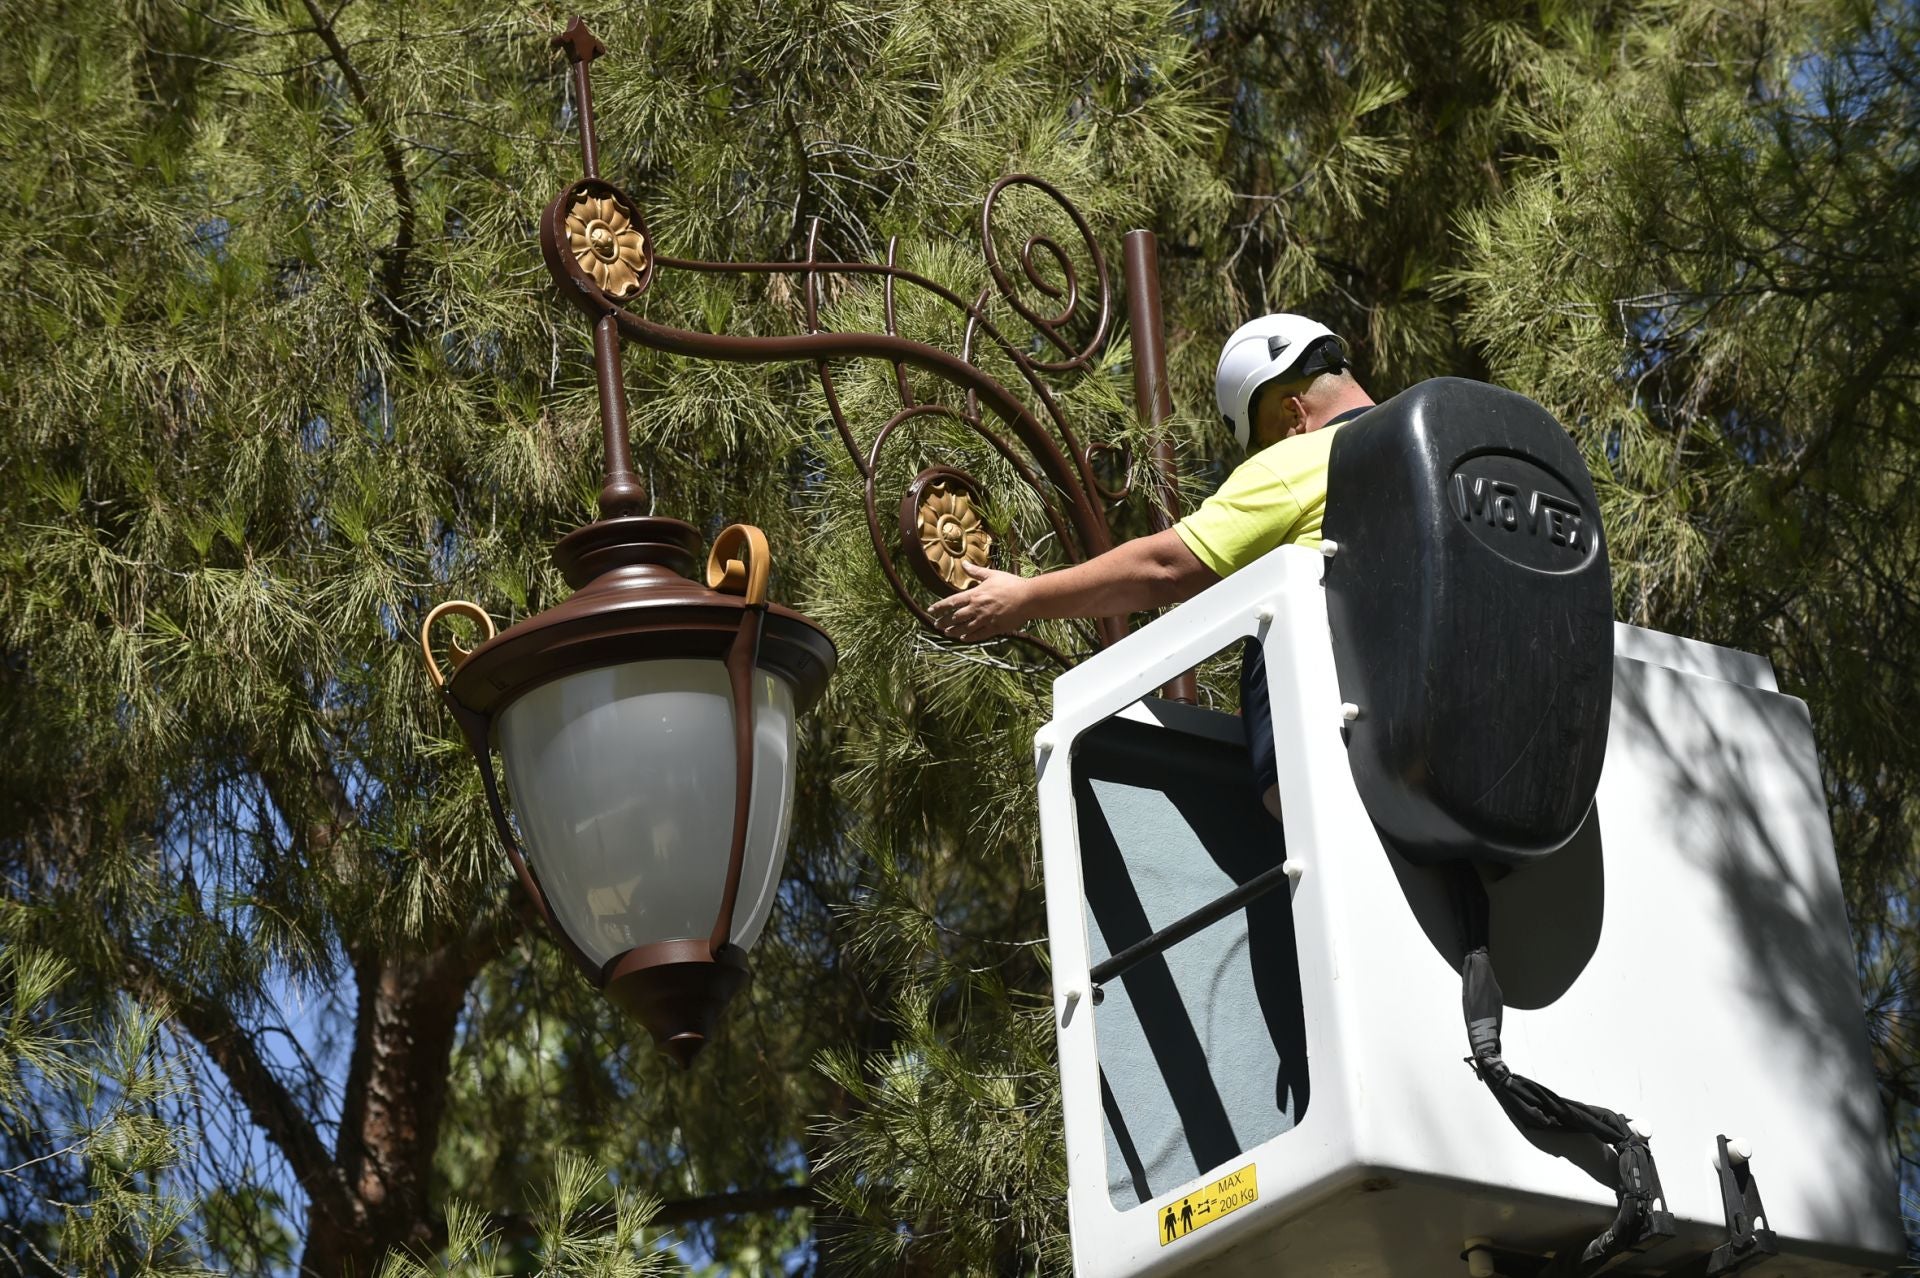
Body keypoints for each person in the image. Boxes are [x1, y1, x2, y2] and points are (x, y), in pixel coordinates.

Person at [928, 312, 1378, 815]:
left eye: (1266, 441)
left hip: (1347, 779)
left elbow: (1166, 567)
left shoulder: (1306, 455)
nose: (1269, 455)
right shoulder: (1452, 448)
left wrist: (1025, 597)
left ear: (1294, 412)